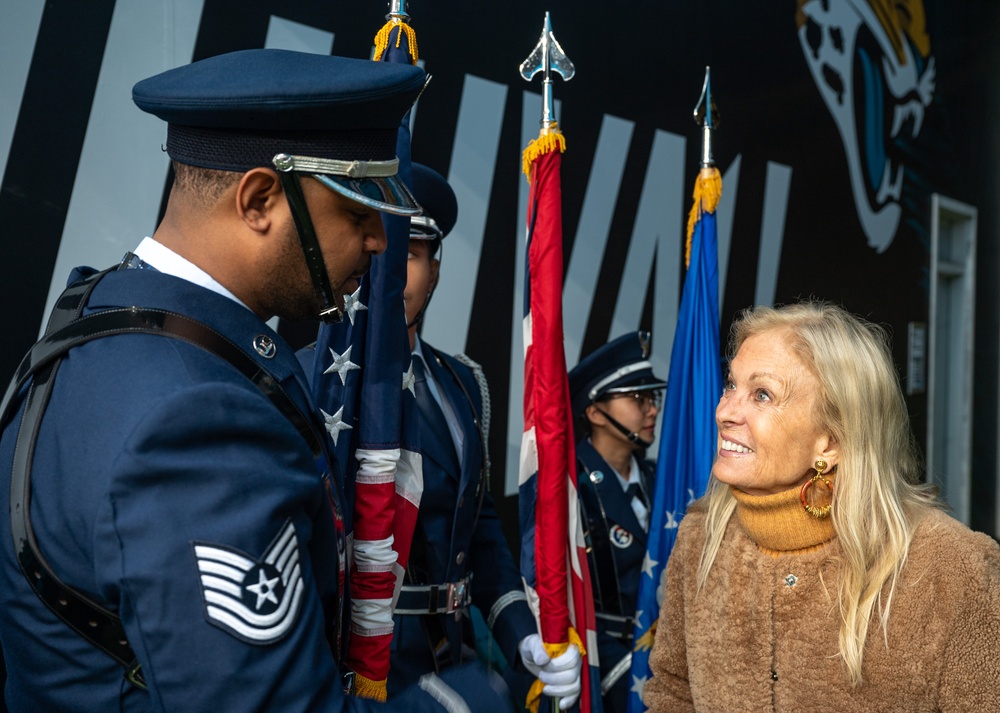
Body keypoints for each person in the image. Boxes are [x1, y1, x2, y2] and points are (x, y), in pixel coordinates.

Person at [0, 49, 514, 712]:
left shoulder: (100, 322)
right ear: (260, 199)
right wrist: (470, 700)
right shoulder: (192, 419)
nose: (378, 242)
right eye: (359, 213)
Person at [643, 301, 1000, 712]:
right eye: (730, 385)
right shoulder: (701, 536)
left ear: (829, 442)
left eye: (762, 395)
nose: (725, 411)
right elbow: (672, 691)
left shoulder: (951, 569)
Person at [391, 164, 580, 711]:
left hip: (456, 654)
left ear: (436, 271)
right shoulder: (316, 381)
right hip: (361, 664)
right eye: (384, 249)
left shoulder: (462, 384)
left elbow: (479, 533)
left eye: (414, 253)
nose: (395, 276)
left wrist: (523, 634)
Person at [566, 332, 666, 713]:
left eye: (652, 398)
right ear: (594, 412)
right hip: (602, 667)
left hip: (664, 657)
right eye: (638, 398)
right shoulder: (568, 484)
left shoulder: (661, 480)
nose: (651, 409)